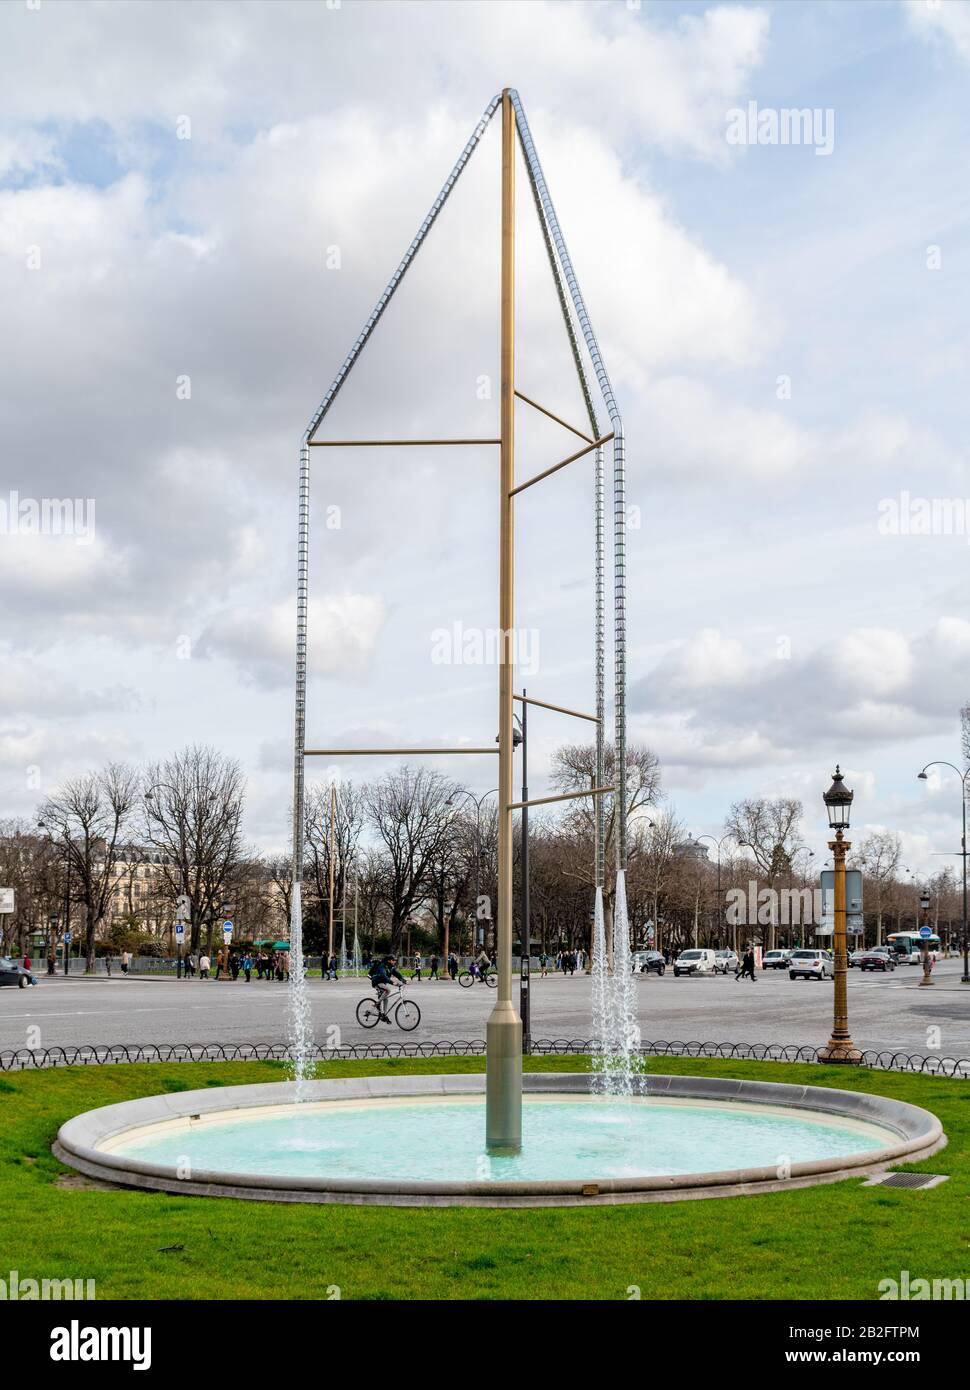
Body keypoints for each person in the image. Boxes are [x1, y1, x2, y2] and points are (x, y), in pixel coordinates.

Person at [369, 954, 406, 1023]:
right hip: (377, 982)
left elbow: (397, 974)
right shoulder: (382, 966)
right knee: (388, 990)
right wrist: (392, 982)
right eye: (393, 960)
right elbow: (383, 976)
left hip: (383, 983)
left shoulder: (391, 967)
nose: (394, 961)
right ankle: (376, 1004)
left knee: (386, 999)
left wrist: (404, 981)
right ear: (389, 960)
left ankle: (384, 1015)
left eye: (395, 960)